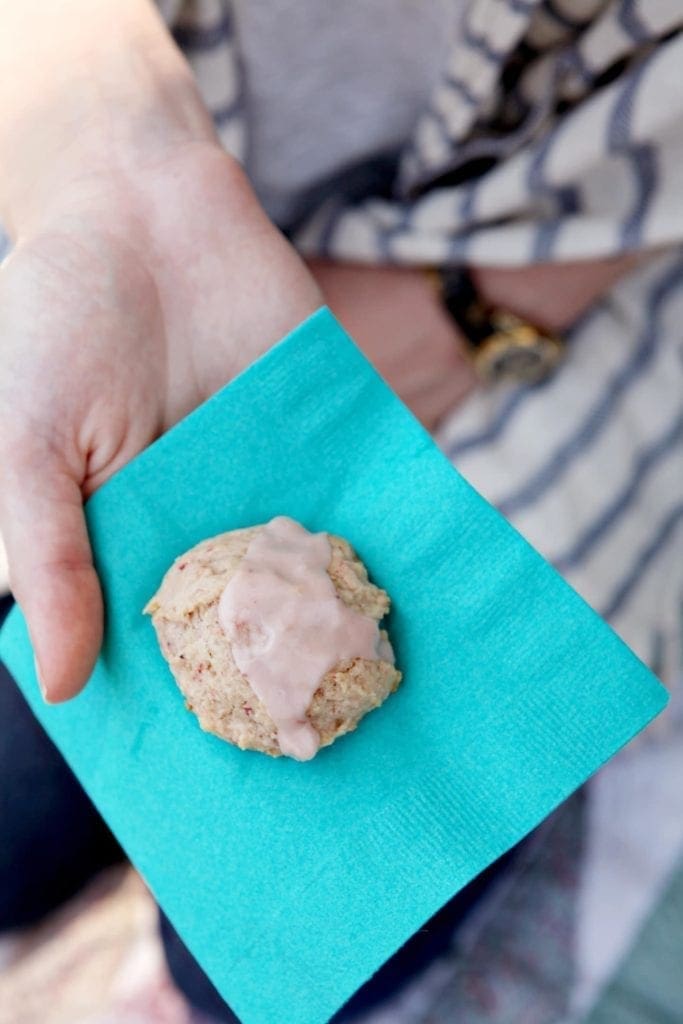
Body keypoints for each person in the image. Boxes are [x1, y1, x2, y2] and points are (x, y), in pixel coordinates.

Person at [1, 2, 681, 1021]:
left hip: (578, 349)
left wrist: (463, 305)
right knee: (18, 827)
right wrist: (116, 175)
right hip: (130, 317)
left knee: (280, 956)